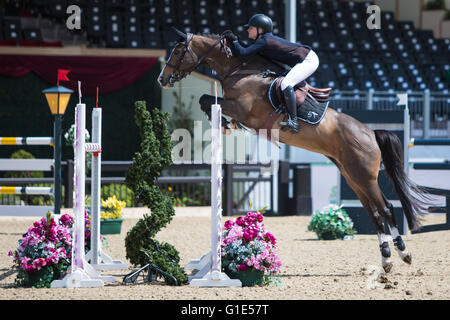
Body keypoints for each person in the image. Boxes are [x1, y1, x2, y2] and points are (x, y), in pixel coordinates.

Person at [225, 14, 319, 133]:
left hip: (308, 60)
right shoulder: (263, 41)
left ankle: (293, 121)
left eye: (251, 28)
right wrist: (235, 42)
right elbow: (247, 53)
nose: (248, 30)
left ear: (260, 30)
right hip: (303, 59)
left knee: (286, 83)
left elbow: (243, 53)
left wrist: (234, 40)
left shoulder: (264, 41)